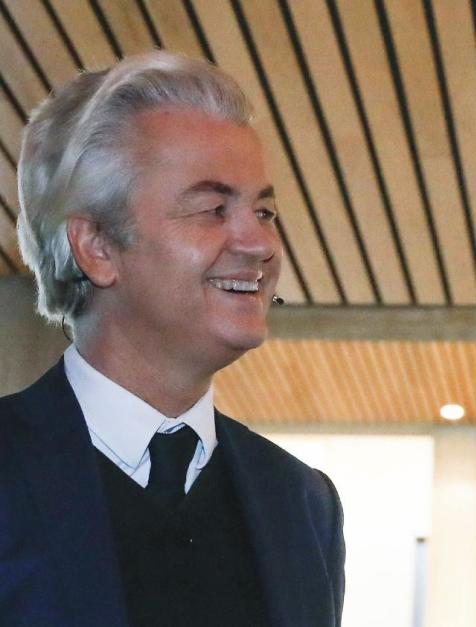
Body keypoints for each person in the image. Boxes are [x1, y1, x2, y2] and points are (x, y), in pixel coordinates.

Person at [3, 51, 344, 626]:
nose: (259, 243)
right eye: (214, 208)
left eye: (263, 210)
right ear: (98, 247)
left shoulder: (303, 504)